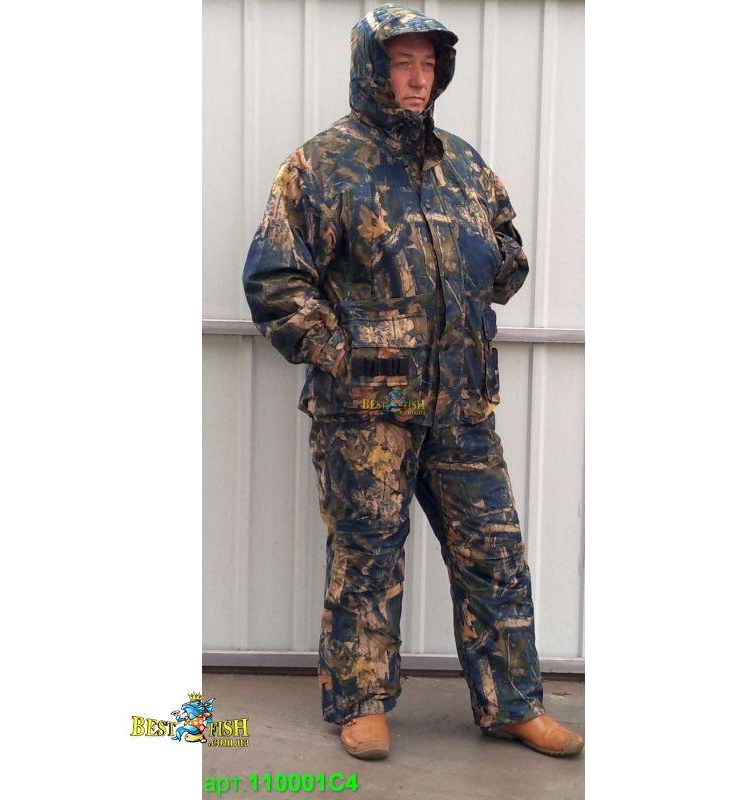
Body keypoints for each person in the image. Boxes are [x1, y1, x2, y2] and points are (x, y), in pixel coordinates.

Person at [242, 3, 583, 760]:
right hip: (367, 412)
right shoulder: (320, 166)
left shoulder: (462, 164)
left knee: (494, 553)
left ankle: (514, 704)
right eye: (403, 63)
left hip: (462, 404)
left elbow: (508, 254)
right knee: (368, 556)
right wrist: (345, 354)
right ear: (372, 68)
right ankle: (361, 704)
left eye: (429, 65)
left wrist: (484, 265)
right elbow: (275, 282)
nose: (418, 79)